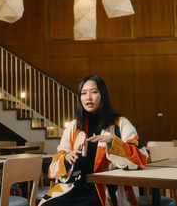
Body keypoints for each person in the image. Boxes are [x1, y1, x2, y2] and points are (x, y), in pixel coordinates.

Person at [38, 75, 148, 206]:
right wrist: (66, 157)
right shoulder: (74, 126)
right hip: (75, 186)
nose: (88, 97)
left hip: (108, 189)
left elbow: (141, 159)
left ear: (103, 95)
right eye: (83, 93)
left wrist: (113, 142)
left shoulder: (121, 124)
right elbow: (55, 163)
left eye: (94, 92)